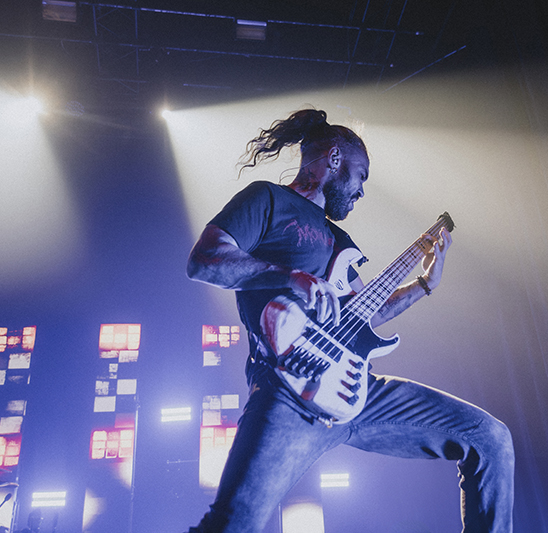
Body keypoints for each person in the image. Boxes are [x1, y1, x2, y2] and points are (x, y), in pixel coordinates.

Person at [185, 109, 514, 532]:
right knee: (230, 525)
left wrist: (425, 284)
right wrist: (289, 277)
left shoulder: (340, 240)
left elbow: (370, 310)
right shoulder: (266, 198)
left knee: (490, 438)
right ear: (335, 159)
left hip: (358, 391)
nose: (360, 193)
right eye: (362, 177)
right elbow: (204, 260)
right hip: (289, 393)